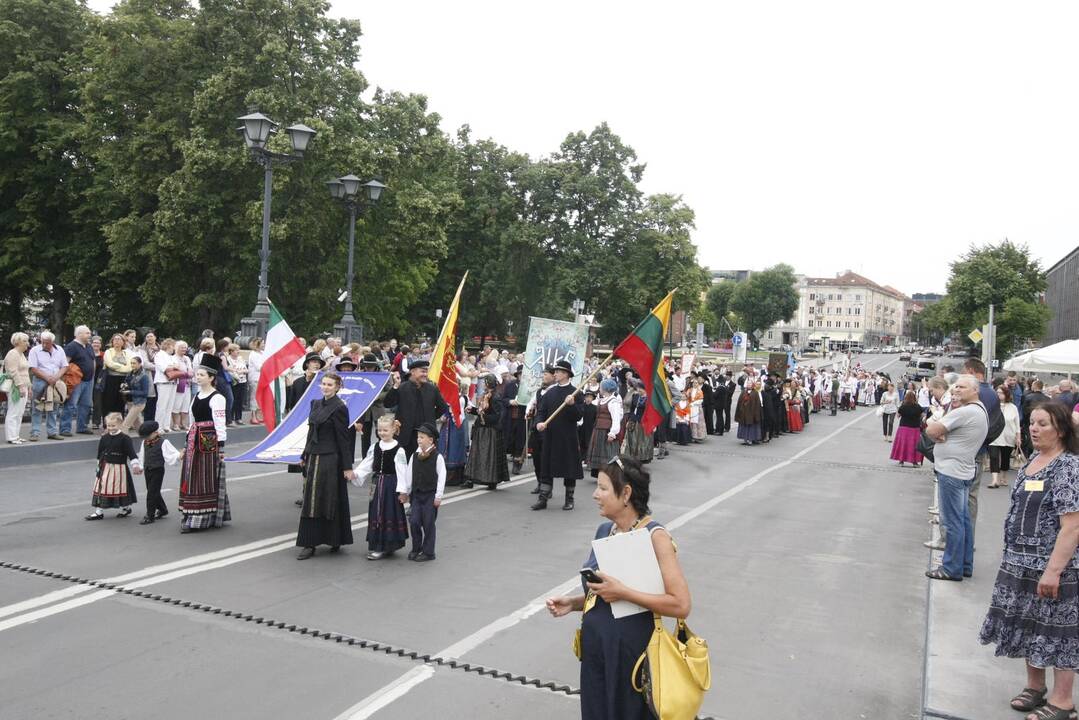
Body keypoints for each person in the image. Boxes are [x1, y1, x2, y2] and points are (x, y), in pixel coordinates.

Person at [545, 455, 691, 720]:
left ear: (625, 494)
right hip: (598, 651)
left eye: (602, 488)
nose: (595, 495)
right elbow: (606, 594)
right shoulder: (605, 531)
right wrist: (575, 603)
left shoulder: (655, 537)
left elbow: (681, 604)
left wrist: (624, 592)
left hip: (632, 658)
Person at [979, 402, 1079, 720]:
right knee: (1028, 626)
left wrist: (1053, 571)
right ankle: (1035, 687)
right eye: (1032, 422)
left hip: (1054, 567)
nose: (1034, 429)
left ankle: (1063, 702)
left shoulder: (1068, 467)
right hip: (1020, 563)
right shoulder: (1035, 459)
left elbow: (1073, 525)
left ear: (1061, 430)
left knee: (1058, 631)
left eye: (1043, 424)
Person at [924, 375, 989, 581]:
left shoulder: (966, 411)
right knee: (962, 521)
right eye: (956, 387)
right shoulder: (978, 410)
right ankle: (965, 564)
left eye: (962, 387)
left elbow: (931, 429)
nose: (957, 390)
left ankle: (951, 568)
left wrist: (938, 432)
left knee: (953, 522)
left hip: (952, 471)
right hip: (962, 469)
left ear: (974, 390)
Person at [295, 371, 357, 560]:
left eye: (330, 385)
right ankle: (309, 542)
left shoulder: (339, 407)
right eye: (324, 384)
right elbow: (311, 431)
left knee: (329, 498)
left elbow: (343, 438)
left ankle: (334, 538)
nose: (326, 387)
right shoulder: (315, 403)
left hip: (330, 459)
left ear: (337, 387)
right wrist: (304, 454)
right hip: (314, 456)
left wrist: (347, 466)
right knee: (311, 500)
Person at [177, 354, 231, 533]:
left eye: (201, 375)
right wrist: (186, 444)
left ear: (211, 378)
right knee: (191, 475)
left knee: (205, 477)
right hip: (194, 439)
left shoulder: (217, 398)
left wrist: (220, 447)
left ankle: (202, 517)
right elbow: (191, 422)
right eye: (197, 374)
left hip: (209, 441)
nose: (197, 377)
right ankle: (191, 513)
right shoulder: (197, 395)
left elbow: (220, 423)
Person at [532, 359, 584, 511]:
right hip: (550, 436)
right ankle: (543, 498)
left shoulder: (576, 393)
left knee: (569, 468)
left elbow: (578, 416)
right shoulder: (550, 393)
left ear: (567, 374)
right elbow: (541, 412)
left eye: (559, 371)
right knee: (546, 467)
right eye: (555, 371)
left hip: (568, 437)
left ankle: (569, 499)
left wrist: (572, 405)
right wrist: (538, 423)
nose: (555, 374)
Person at [356, 414, 409, 560]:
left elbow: (402, 470)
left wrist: (403, 491)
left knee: (387, 513)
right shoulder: (375, 447)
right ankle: (378, 545)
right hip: (377, 483)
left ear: (393, 430)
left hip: (391, 485)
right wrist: (356, 474)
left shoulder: (399, 450)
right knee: (376, 513)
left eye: (385, 430)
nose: (382, 433)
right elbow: (367, 464)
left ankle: (386, 545)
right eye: (379, 430)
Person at [382, 359, 449, 458]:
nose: (425, 374)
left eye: (426, 372)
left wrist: (430, 417)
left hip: (426, 435)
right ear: (412, 372)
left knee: (426, 466)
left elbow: (443, 407)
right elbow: (387, 403)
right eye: (422, 371)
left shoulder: (432, 389)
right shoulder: (402, 388)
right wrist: (395, 386)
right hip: (406, 436)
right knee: (406, 465)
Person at [398, 422, 446, 562]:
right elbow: (409, 474)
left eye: (422, 437)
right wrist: (406, 492)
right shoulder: (415, 455)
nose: (419, 439)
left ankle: (429, 552)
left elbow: (441, 477)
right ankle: (416, 548)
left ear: (430, 440)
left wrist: (438, 496)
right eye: (418, 437)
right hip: (417, 495)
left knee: (428, 523)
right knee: (414, 521)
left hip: (430, 495)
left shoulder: (438, 457)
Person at [85, 412, 140, 520]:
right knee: (101, 487)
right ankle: (99, 511)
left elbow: (131, 453)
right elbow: (100, 452)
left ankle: (126, 507)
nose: (110, 428)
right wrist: (98, 465)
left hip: (119, 468)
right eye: (109, 425)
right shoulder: (104, 438)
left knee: (119, 488)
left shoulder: (125, 438)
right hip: (104, 466)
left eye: (113, 425)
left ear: (120, 425)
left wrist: (135, 465)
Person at [463, 375, 509, 490]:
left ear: (489, 384)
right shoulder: (486, 395)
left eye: (485, 382)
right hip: (482, 430)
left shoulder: (495, 397)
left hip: (489, 432)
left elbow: (497, 416)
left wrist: (484, 418)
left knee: (487, 457)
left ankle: (491, 480)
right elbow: (481, 411)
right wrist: (473, 410)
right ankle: (471, 479)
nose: (483, 384)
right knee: (476, 456)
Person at [136, 421, 181, 525]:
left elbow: (172, 453)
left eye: (147, 436)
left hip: (158, 470)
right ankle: (163, 509)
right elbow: (142, 454)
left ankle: (149, 515)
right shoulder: (145, 442)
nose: (145, 438)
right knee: (152, 490)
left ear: (155, 432)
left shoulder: (163, 442)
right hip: (148, 469)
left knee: (151, 492)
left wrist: (178, 456)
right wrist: (141, 466)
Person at [28, 330, 68, 441]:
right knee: (37, 407)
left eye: (47, 342)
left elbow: (65, 366)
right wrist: (47, 378)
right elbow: (33, 368)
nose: (45, 345)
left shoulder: (59, 349)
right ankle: (35, 433)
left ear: (52, 342)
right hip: (40, 381)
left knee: (54, 407)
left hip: (55, 382)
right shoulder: (34, 350)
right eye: (43, 342)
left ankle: (52, 432)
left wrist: (56, 377)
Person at [61, 325, 95, 436]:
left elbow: (92, 360)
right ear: (79, 334)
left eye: (89, 333)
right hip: (76, 380)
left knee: (86, 405)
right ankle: (65, 429)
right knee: (71, 405)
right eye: (87, 333)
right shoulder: (71, 346)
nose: (90, 335)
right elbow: (65, 363)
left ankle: (81, 427)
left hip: (89, 380)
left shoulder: (89, 346)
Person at [587, 378, 625, 477]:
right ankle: (601, 474)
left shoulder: (613, 402)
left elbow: (616, 418)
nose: (600, 388)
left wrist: (613, 433)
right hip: (598, 429)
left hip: (607, 431)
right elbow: (592, 403)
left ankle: (617, 473)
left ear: (606, 388)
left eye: (601, 387)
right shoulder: (602, 400)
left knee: (610, 453)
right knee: (601, 451)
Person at [988, 384, 1022, 489]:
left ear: (1006, 394)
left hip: (1008, 436)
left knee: (1005, 458)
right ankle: (994, 480)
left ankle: (1003, 476)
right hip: (994, 436)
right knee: (993, 457)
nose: (998, 395)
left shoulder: (1013, 408)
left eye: (1001, 393)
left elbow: (1017, 424)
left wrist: (1018, 437)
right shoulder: (992, 406)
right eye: (997, 393)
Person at [3, 333, 31, 444]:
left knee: (19, 412)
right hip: (16, 387)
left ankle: (16, 435)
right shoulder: (13, 353)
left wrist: (28, 387)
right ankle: (11, 437)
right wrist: (20, 386)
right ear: (17, 342)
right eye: (25, 341)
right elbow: (13, 371)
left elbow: (25, 372)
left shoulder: (21, 354)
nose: (27, 343)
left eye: (27, 340)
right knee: (14, 411)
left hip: (23, 386)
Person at [890, 391, 925, 467]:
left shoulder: (903, 406)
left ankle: (901, 461)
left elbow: (898, 415)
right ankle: (914, 462)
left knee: (903, 444)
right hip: (915, 428)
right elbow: (922, 416)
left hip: (904, 427)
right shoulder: (917, 406)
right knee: (914, 445)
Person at [101, 333, 132, 417]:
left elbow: (129, 367)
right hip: (110, 379)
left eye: (119, 339)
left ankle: (119, 424)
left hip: (123, 380)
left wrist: (117, 367)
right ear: (112, 341)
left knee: (121, 402)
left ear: (123, 342)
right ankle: (107, 425)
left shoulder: (127, 353)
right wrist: (123, 367)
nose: (117, 341)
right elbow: (110, 364)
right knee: (109, 402)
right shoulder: (108, 351)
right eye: (115, 339)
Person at [120, 356, 150, 433]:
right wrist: (124, 385)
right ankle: (146, 439)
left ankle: (121, 443)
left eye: (134, 363)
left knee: (126, 424)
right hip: (130, 401)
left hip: (139, 403)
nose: (132, 365)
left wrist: (130, 392)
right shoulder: (129, 374)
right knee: (138, 425)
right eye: (131, 363)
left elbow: (145, 393)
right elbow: (128, 384)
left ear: (140, 364)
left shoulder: (144, 376)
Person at [171, 341, 193, 431]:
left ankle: (183, 423)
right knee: (177, 404)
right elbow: (177, 371)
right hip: (178, 384)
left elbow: (191, 371)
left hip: (187, 384)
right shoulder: (173, 358)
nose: (184, 349)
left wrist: (188, 373)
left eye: (185, 347)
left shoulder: (187, 358)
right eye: (181, 347)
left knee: (185, 405)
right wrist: (186, 373)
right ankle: (176, 424)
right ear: (176, 348)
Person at [226, 343, 248, 425]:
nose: (238, 351)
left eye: (238, 350)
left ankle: (239, 418)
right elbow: (229, 371)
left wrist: (241, 371)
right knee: (233, 400)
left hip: (243, 381)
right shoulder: (228, 359)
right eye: (236, 350)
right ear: (231, 351)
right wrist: (237, 375)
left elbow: (246, 370)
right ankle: (231, 418)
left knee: (240, 400)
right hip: (234, 381)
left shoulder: (241, 358)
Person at [735, 381, 763, 446]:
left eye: (750, 384)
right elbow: (739, 402)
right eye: (748, 384)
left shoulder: (755, 393)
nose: (749, 385)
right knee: (744, 426)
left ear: (752, 385)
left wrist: (756, 414)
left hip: (752, 413)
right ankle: (745, 439)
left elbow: (757, 404)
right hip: (744, 413)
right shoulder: (743, 392)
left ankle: (751, 439)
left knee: (751, 426)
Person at [247, 337, 265, 425]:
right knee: (254, 397)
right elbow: (259, 367)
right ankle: (253, 416)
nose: (264, 345)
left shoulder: (262, 353)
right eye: (262, 343)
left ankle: (258, 415)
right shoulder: (253, 354)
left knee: (260, 398)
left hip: (263, 378)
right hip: (255, 378)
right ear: (258, 344)